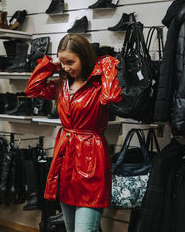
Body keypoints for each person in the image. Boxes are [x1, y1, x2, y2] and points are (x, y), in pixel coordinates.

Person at [25, 34, 121, 232]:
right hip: (66, 160)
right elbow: (33, 90)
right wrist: (49, 64)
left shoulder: (98, 84)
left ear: (84, 57)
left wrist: (107, 65)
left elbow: (112, 97)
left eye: (70, 62)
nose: (66, 67)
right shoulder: (62, 85)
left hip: (92, 158)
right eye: (63, 63)